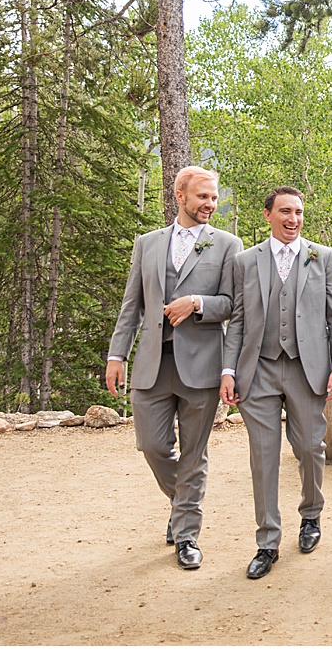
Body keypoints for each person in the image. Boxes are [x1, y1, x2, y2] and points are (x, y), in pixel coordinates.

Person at [106, 166, 242, 570]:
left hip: (202, 366)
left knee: (194, 453)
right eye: (203, 197)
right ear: (180, 195)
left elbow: (233, 305)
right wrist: (117, 356)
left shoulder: (228, 245)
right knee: (151, 446)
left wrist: (197, 303)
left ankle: (186, 535)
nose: (210, 205)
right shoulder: (147, 244)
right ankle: (181, 503)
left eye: (214, 198)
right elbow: (132, 305)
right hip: (151, 365)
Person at [220, 186, 332, 579]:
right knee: (262, 457)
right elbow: (238, 321)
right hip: (256, 371)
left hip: (306, 368)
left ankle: (311, 515)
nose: (293, 219)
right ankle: (267, 541)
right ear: (268, 215)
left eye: (298, 212)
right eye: (285, 212)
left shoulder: (323, 257)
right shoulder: (244, 261)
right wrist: (228, 370)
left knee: (310, 447)